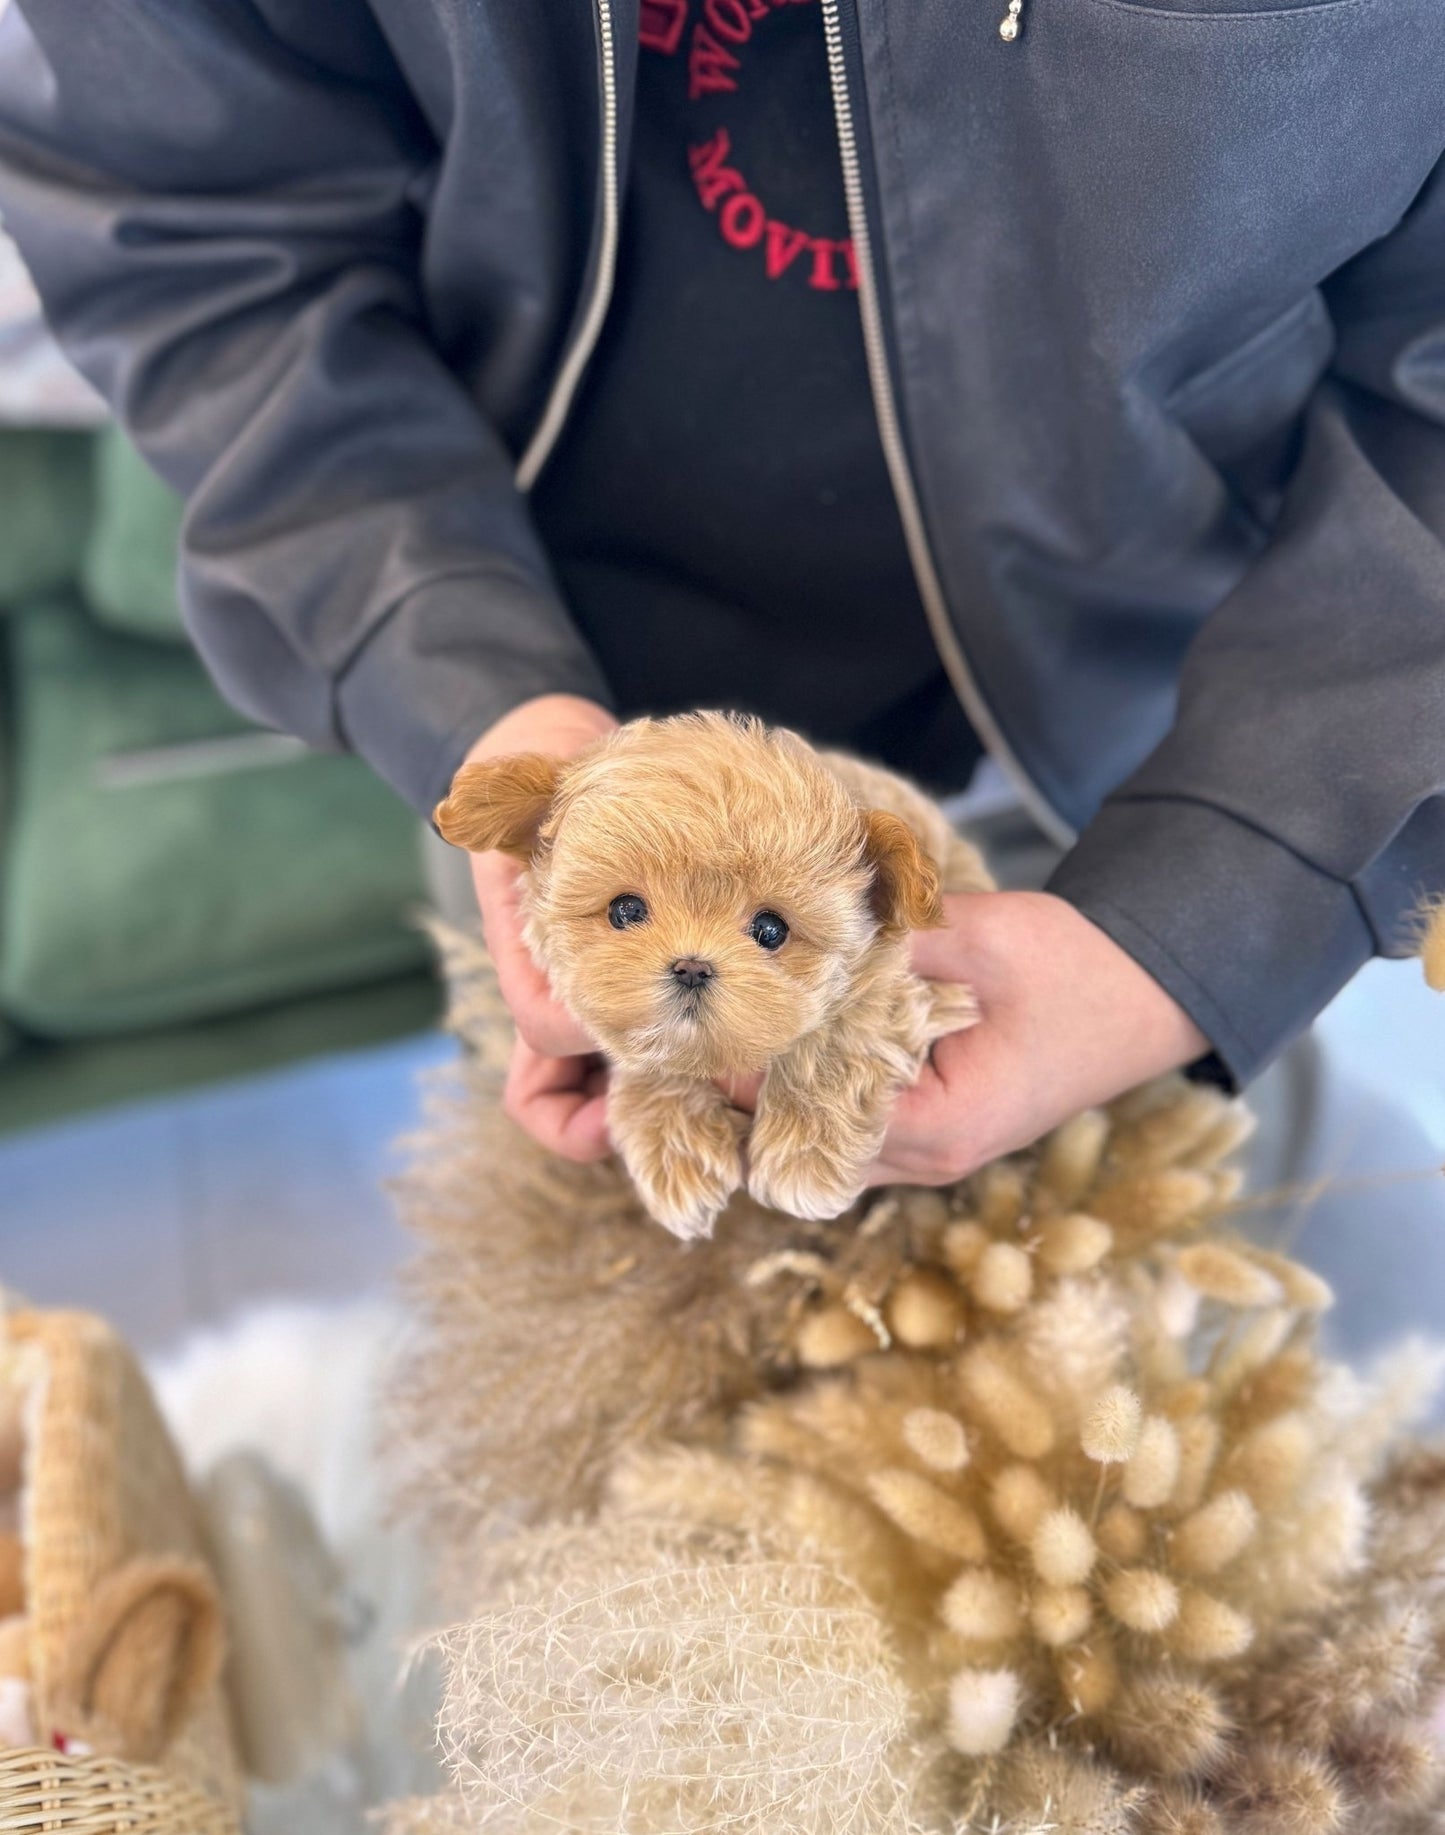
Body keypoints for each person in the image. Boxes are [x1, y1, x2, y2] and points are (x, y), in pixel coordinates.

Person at [0, 0, 1442, 1194]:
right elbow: (194, 222)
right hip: (537, 687)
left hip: (1160, 724)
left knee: (1152, 1314)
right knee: (631, 1319)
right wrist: (458, 676)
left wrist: (1215, 902)